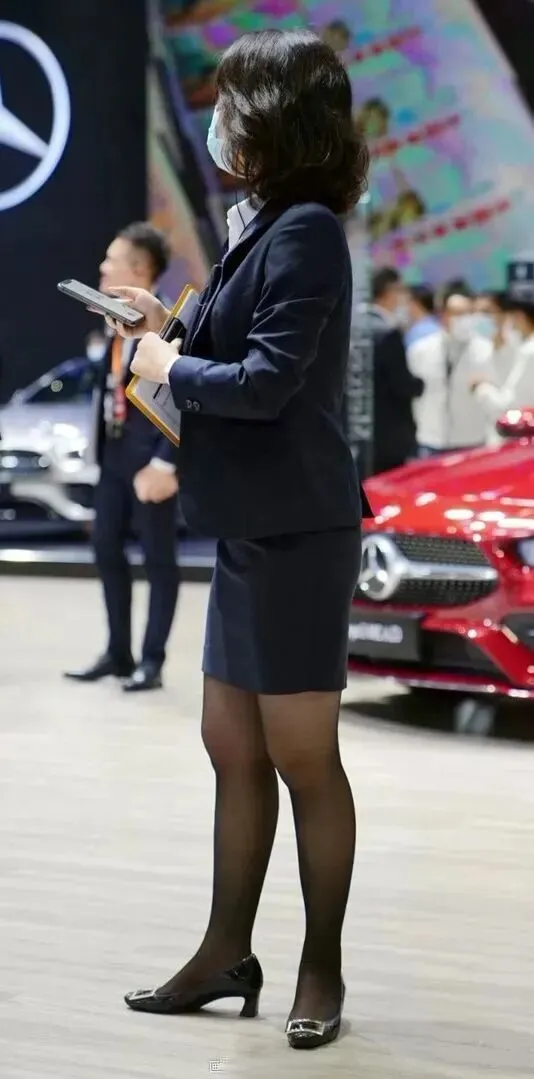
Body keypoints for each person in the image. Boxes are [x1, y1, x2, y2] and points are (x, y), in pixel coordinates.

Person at [100, 28, 371, 1050]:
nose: (219, 119)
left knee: (304, 757)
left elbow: (263, 383)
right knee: (232, 747)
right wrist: (161, 324)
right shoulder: (263, 225)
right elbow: (227, 346)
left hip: (296, 529)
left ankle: (321, 965)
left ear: (277, 122)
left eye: (234, 101)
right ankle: (225, 952)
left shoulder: (306, 231)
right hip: (253, 524)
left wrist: (165, 363)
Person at [65, 223, 180, 692]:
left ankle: (152, 661)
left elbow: (183, 399)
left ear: (139, 270)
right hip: (113, 459)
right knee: (105, 548)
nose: (102, 267)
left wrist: (167, 464)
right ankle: (118, 652)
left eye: (111, 259)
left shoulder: (171, 324)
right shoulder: (113, 320)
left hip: (151, 463)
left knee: (159, 560)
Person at [409, 291, 494, 455]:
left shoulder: (486, 350)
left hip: (471, 439)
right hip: (431, 439)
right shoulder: (420, 350)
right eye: (458, 314)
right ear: (443, 315)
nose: (464, 319)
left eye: (468, 313)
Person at [368, 267, 424, 473]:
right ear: (388, 291)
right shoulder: (388, 332)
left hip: (356, 432)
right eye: (400, 290)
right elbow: (402, 385)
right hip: (389, 436)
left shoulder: (351, 326)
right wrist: (420, 384)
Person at [470, 294, 534, 431]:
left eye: (487, 312)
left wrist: (481, 387)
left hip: (516, 429)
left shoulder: (527, 350)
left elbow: (511, 403)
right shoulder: (481, 346)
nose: (479, 317)